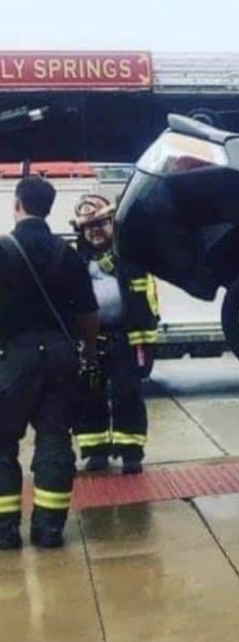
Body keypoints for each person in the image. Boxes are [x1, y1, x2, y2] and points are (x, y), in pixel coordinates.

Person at [0, 176, 100, 550]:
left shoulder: (2, 250)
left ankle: (5, 530)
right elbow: (89, 313)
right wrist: (88, 354)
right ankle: (48, 529)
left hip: (12, 358)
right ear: (49, 207)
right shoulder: (67, 253)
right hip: (60, 355)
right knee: (55, 440)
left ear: (17, 204)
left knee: (1, 443)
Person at [72, 194, 160, 475]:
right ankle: (96, 452)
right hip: (91, 343)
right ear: (82, 232)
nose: (95, 230)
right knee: (90, 395)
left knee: (128, 394)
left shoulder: (130, 259)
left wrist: (146, 347)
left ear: (113, 224)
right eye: (89, 226)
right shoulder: (75, 264)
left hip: (126, 339)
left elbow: (149, 304)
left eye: (101, 223)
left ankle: (131, 453)